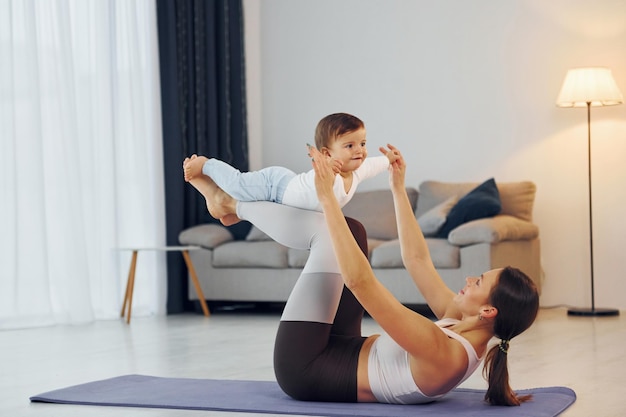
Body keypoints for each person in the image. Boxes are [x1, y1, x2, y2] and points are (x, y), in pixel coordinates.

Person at [182, 144, 540, 406]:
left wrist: (325, 199)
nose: (468, 280)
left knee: (328, 234)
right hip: (343, 345)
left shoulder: (444, 352)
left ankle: (231, 205)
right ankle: (228, 205)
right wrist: (397, 188)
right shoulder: (463, 323)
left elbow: (361, 282)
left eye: (478, 282)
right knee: (351, 230)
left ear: (488, 311)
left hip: (307, 368)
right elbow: (417, 260)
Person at [183, 113, 398, 225]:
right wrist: (326, 168)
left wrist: (388, 159)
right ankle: (207, 164)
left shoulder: (356, 172)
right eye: (349, 146)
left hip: (284, 198)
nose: (359, 150)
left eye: (362, 143)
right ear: (327, 154)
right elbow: (322, 177)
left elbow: (372, 165)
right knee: (239, 185)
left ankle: (234, 212)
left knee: (255, 205)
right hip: (275, 185)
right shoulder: (326, 172)